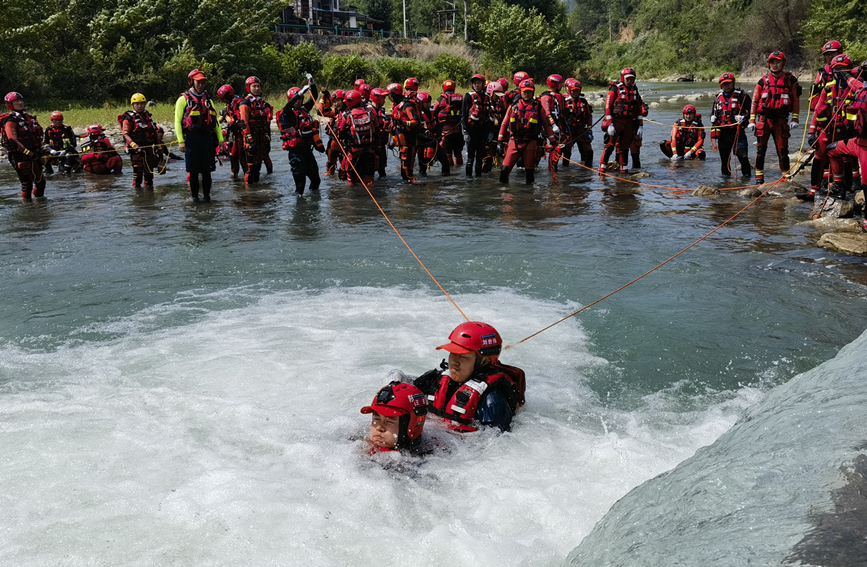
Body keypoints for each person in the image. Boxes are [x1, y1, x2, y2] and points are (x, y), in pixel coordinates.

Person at [413, 322, 526, 432]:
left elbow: (496, 443)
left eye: (463, 357)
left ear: (483, 362)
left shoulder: (492, 401)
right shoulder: (436, 380)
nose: (454, 362)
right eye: (452, 354)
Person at [747, 51, 801, 184]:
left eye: (778, 62)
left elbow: (795, 100)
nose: (775, 65)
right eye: (772, 62)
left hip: (781, 120)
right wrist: (752, 120)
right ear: (768, 64)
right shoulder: (762, 81)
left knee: (783, 150)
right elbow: (755, 101)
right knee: (761, 150)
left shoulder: (791, 80)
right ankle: (759, 180)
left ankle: (786, 177)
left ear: (783, 63)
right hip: (764, 120)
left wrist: (795, 118)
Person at [808, 54, 858, 200]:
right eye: (838, 70)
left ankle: (845, 190)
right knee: (820, 156)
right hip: (828, 129)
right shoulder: (828, 88)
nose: (841, 73)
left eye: (844, 70)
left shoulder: (856, 88)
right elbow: (818, 110)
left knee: (846, 159)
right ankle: (813, 191)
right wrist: (812, 131)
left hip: (848, 130)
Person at [823, 59, 867, 223]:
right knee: (831, 149)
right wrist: (846, 75)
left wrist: (847, 76)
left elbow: (858, 86)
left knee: (866, 183)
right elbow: (856, 84)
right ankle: (840, 186)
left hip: (865, 148)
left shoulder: (863, 91)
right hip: (857, 143)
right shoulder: (861, 88)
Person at [175, 69, 223, 202]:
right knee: (194, 172)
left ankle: (207, 197)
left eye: (203, 82)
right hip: (191, 138)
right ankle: (195, 198)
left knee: (207, 172)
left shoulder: (208, 100)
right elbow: (177, 121)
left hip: (207, 138)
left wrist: (220, 139)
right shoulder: (182, 100)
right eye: (198, 82)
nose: (201, 84)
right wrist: (181, 141)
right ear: (191, 82)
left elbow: (215, 123)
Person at [497, 79, 556, 185]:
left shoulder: (538, 107)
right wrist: (500, 141)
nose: (527, 94)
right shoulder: (513, 106)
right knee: (504, 170)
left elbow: (547, 126)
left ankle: (529, 198)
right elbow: (504, 124)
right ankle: (504, 195)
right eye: (525, 92)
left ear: (533, 92)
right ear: (520, 92)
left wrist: (553, 141)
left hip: (530, 142)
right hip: (514, 141)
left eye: (529, 91)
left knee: (529, 173)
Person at [808, 40, 844, 195]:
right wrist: (812, 129)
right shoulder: (822, 74)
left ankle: (845, 187)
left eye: (833, 54)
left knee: (842, 154)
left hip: (844, 122)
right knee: (821, 152)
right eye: (827, 55)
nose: (830, 57)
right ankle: (816, 188)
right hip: (825, 119)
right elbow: (816, 101)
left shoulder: (851, 72)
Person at [277, 78, 324, 195]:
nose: (299, 102)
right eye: (296, 100)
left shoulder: (304, 109)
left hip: (307, 150)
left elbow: (314, 97)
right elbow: (288, 105)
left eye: (301, 99)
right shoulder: (287, 113)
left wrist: (312, 85)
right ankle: (299, 206)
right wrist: (299, 93)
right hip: (296, 153)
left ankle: (314, 205)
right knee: (300, 185)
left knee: (316, 180)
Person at [360, 381, 428, 454]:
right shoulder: (357, 443)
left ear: (411, 425)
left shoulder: (418, 460)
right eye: (377, 418)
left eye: (389, 421)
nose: (379, 428)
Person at [2, 91, 46, 199]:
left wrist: (43, 149)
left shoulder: (28, 118)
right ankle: (26, 207)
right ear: (10, 105)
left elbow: (37, 136)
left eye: (21, 100)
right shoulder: (10, 121)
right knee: (27, 185)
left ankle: (39, 206)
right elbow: (13, 141)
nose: (20, 103)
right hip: (20, 156)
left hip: (34, 153)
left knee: (41, 183)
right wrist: (29, 153)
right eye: (16, 101)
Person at [600, 67, 644, 174]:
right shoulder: (615, 89)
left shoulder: (635, 90)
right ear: (622, 78)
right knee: (610, 146)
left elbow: (638, 108)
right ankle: (602, 168)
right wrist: (609, 124)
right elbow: (608, 106)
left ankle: (623, 168)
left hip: (628, 123)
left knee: (624, 147)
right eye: (627, 79)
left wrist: (640, 125)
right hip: (616, 122)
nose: (629, 81)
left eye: (631, 79)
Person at [710, 72, 752, 177]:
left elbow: (753, 112)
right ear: (721, 85)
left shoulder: (743, 96)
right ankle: (725, 185)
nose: (727, 86)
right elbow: (714, 113)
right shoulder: (717, 98)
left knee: (743, 157)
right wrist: (713, 118)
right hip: (723, 134)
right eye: (724, 84)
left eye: (729, 83)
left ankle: (747, 181)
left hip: (738, 132)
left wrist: (744, 118)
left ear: (733, 83)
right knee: (724, 162)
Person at [335, 90, 379, 186]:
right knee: (369, 180)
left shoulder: (346, 115)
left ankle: (352, 199)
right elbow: (377, 128)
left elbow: (340, 133)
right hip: (369, 150)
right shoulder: (370, 112)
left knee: (350, 179)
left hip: (354, 151)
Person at [120, 93, 162, 189]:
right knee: (138, 176)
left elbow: (154, 133)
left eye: (142, 104)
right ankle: (137, 197)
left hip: (149, 150)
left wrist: (159, 148)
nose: (139, 106)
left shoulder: (148, 116)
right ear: (133, 105)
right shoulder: (128, 119)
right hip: (137, 151)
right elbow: (125, 134)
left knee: (149, 175)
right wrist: (135, 147)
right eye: (137, 104)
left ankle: (149, 197)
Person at [238, 76, 271, 184]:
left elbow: (265, 122)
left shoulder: (261, 103)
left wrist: (267, 138)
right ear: (249, 88)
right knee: (251, 167)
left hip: (261, 138)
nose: (256, 88)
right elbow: (244, 123)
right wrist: (249, 140)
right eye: (254, 86)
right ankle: (248, 192)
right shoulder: (245, 104)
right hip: (251, 139)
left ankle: (256, 191)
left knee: (258, 166)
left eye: (258, 86)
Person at [388, 82, 421, 183]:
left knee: (408, 172)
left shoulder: (406, 105)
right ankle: (405, 194)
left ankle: (414, 192)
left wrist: (403, 122)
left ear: (394, 94)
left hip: (410, 141)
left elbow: (415, 121)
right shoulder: (397, 106)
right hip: (403, 142)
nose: (389, 97)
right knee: (404, 171)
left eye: (390, 95)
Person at [416, 91, 450, 177]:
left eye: (429, 102)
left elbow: (438, 125)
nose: (428, 104)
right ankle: (423, 181)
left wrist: (439, 135)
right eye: (425, 102)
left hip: (435, 141)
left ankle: (446, 179)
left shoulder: (433, 112)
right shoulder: (417, 115)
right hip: (423, 144)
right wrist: (428, 139)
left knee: (445, 162)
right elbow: (417, 133)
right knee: (423, 166)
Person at [461, 73, 489, 177]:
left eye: (479, 83)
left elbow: (489, 114)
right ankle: (468, 178)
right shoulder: (468, 97)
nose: (477, 85)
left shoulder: (487, 97)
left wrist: (489, 132)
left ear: (483, 84)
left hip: (482, 131)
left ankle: (478, 178)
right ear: (472, 85)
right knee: (470, 158)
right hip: (472, 131)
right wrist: (465, 132)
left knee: (480, 158)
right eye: (475, 83)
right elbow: (464, 115)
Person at [562, 78, 594, 168]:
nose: (576, 93)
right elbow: (561, 117)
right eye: (574, 91)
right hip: (569, 130)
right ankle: (565, 169)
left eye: (577, 91)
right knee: (567, 150)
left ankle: (588, 169)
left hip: (581, 129)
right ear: (569, 91)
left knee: (588, 150)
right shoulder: (564, 102)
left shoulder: (583, 102)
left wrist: (589, 128)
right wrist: (564, 129)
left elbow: (588, 116)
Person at [217, 84, 247, 179]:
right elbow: (221, 120)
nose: (223, 101)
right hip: (235, 134)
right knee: (233, 156)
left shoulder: (238, 103)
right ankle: (235, 176)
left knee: (240, 156)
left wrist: (225, 115)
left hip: (240, 134)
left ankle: (247, 176)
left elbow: (233, 121)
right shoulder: (230, 104)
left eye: (223, 98)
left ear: (228, 95)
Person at [433, 79, 464, 167]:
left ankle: (452, 173)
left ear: (443, 88)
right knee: (458, 154)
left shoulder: (440, 100)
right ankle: (460, 171)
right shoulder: (460, 99)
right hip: (458, 132)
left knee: (448, 154)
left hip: (446, 133)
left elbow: (435, 112)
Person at [316, 88, 346, 176]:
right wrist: (322, 98)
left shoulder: (349, 111)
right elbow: (320, 111)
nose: (336, 104)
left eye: (338, 101)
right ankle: (330, 176)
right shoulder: (334, 112)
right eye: (335, 101)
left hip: (345, 143)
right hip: (334, 141)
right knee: (330, 162)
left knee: (344, 165)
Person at [43, 110, 80, 175]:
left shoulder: (67, 129)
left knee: (68, 156)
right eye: (56, 120)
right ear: (52, 120)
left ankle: (67, 173)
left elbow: (74, 143)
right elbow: (45, 142)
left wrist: (65, 151)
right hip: (54, 151)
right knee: (44, 157)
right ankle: (49, 173)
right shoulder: (48, 129)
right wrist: (51, 150)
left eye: (60, 120)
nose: (58, 122)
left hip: (67, 151)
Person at [369, 88, 391, 179]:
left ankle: (382, 187)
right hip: (372, 145)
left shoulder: (380, 110)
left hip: (381, 143)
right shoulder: (369, 111)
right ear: (377, 99)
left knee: (382, 167)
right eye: (383, 99)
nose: (384, 101)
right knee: (371, 168)